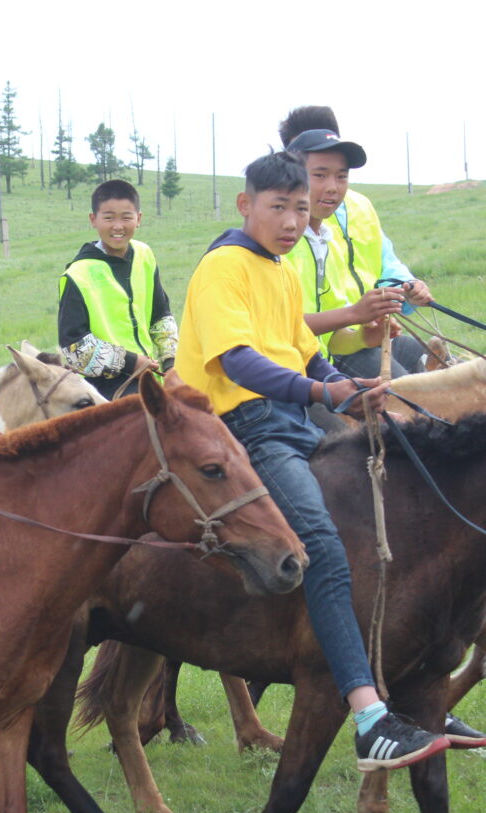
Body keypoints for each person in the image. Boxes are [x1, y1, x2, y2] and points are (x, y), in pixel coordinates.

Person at [175, 150, 450, 771]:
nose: (293, 220)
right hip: (243, 428)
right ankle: (368, 717)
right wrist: (326, 392)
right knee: (323, 546)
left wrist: (355, 398)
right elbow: (241, 364)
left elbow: (307, 356)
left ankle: (406, 691)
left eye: (301, 208)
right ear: (246, 205)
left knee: (391, 500)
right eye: (279, 207)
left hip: (294, 420)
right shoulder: (223, 266)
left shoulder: (284, 270)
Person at [279, 106, 432, 378]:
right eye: (319, 173)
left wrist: (404, 289)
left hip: (349, 337)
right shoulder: (274, 241)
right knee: (413, 405)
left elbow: (386, 263)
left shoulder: (328, 232)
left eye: (340, 174)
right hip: (298, 367)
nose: (332, 186)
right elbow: (276, 329)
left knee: (440, 371)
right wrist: (354, 315)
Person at [57, 179, 177, 399]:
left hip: (151, 378)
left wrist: (171, 364)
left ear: (139, 219)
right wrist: (132, 362)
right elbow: (74, 349)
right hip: (106, 390)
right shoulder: (77, 275)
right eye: (109, 217)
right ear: (93, 220)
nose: (118, 226)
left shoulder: (144, 254)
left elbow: (160, 316)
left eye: (126, 217)